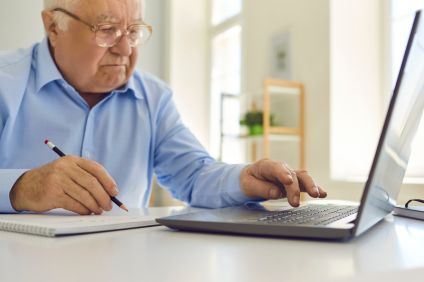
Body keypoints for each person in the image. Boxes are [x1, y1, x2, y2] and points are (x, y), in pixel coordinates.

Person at [0, 0, 326, 215]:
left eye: (133, 31)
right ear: (53, 27)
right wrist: (22, 187)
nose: (126, 48)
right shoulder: (5, 83)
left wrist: (244, 178)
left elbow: (195, 176)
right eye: (107, 30)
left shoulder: (154, 98)